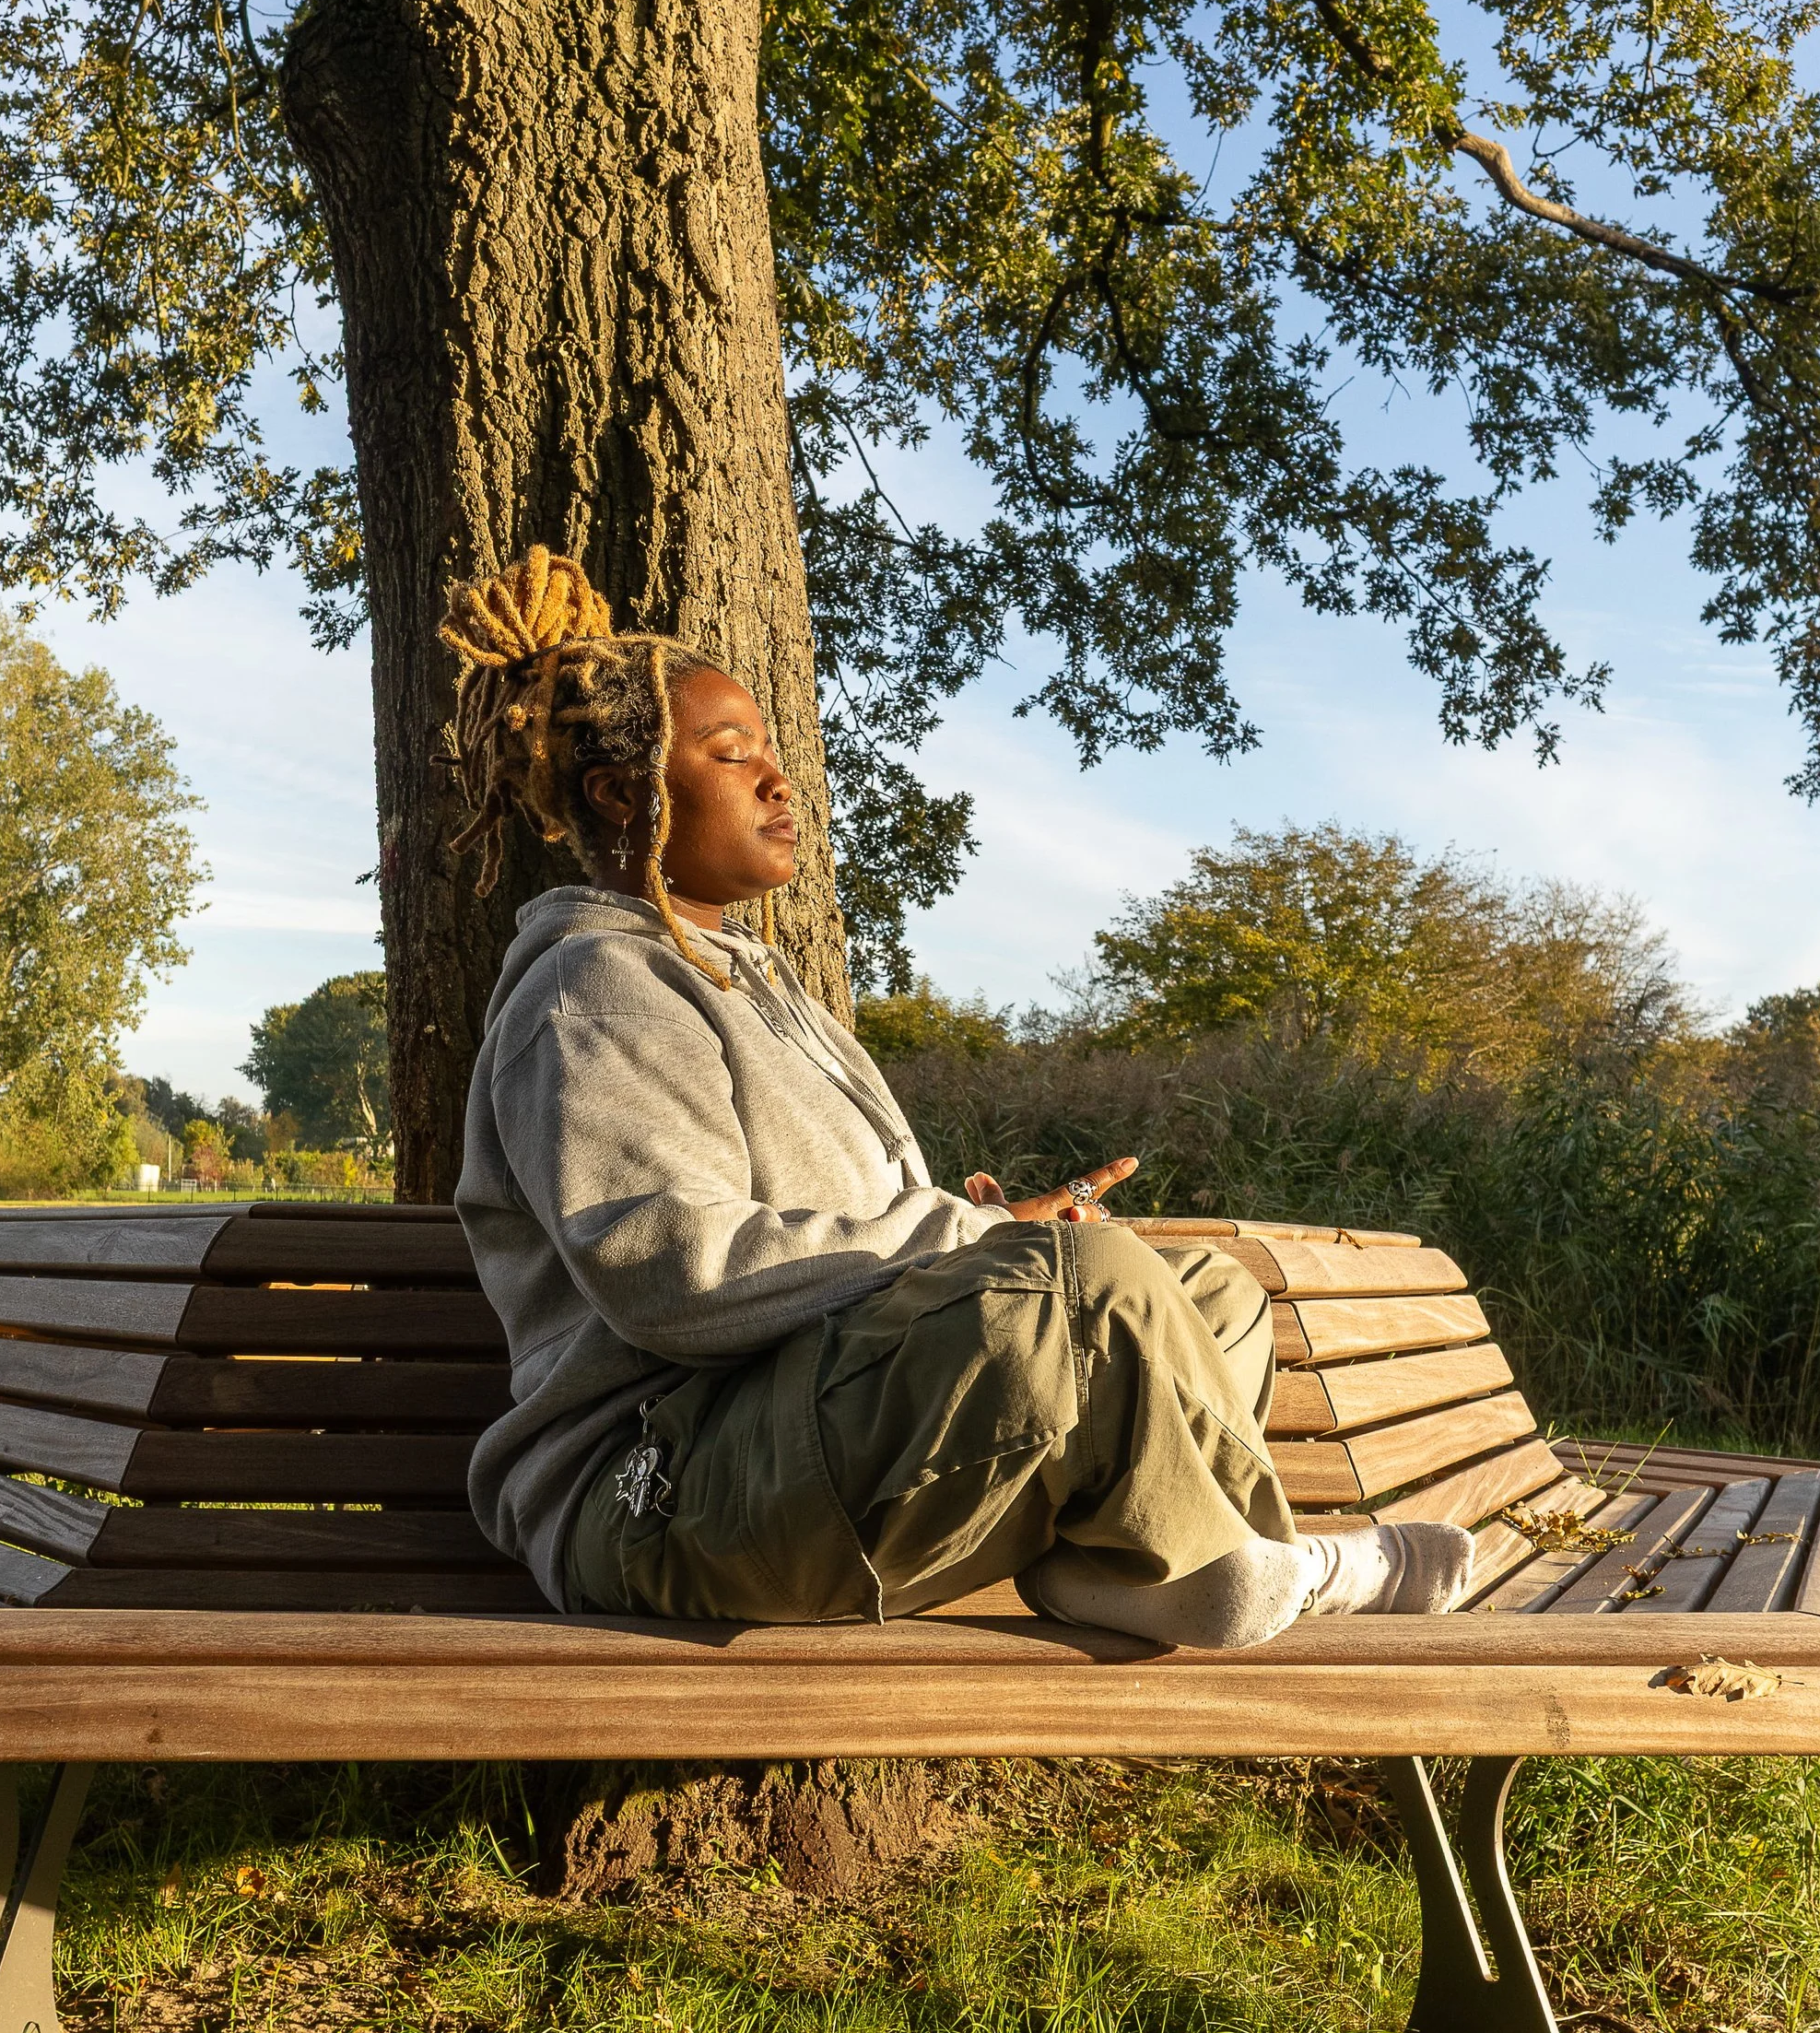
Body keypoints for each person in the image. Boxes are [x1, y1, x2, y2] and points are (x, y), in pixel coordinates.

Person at [448, 548, 1474, 1649]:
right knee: (1096, 1285)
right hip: (660, 1491)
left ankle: (1122, 1568)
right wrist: (969, 1243)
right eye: (732, 753)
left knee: (1206, 1292)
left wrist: (982, 1249)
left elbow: (853, 1252)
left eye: (774, 753)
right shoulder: (597, 988)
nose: (779, 782)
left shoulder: (752, 987)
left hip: (785, 1448)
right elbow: (675, 1277)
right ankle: (1241, 1567)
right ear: (620, 792)